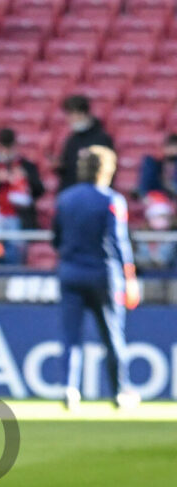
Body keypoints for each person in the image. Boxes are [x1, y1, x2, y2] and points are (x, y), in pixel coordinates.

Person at [54, 146, 140, 411]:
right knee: (113, 335)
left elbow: (56, 238)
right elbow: (119, 242)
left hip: (69, 273)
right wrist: (130, 278)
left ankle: (70, 390)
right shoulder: (112, 200)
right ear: (107, 170)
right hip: (103, 275)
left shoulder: (65, 199)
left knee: (71, 337)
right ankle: (118, 391)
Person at [0, 128, 45, 232]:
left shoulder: (27, 166)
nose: (6, 151)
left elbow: (39, 190)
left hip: (19, 217)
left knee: (15, 241)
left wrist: (26, 179)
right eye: (3, 147)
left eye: (9, 146)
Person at [56, 95, 113, 191]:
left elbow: (106, 167)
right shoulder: (72, 140)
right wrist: (59, 167)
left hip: (94, 192)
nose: (69, 119)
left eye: (71, 115)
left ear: (82, 114)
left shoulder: (101, 139)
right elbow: (68, 168)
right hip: (72, 191)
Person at [134, 191, 176, 270]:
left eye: (164, 217)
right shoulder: (141, 236)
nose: (161, 220)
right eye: (156, 217)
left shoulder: (173, 238)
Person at [137, 133, 177, 199]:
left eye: (174, 147)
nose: (171, 151)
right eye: (170, 147)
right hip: (157, 197)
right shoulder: (154, 165)